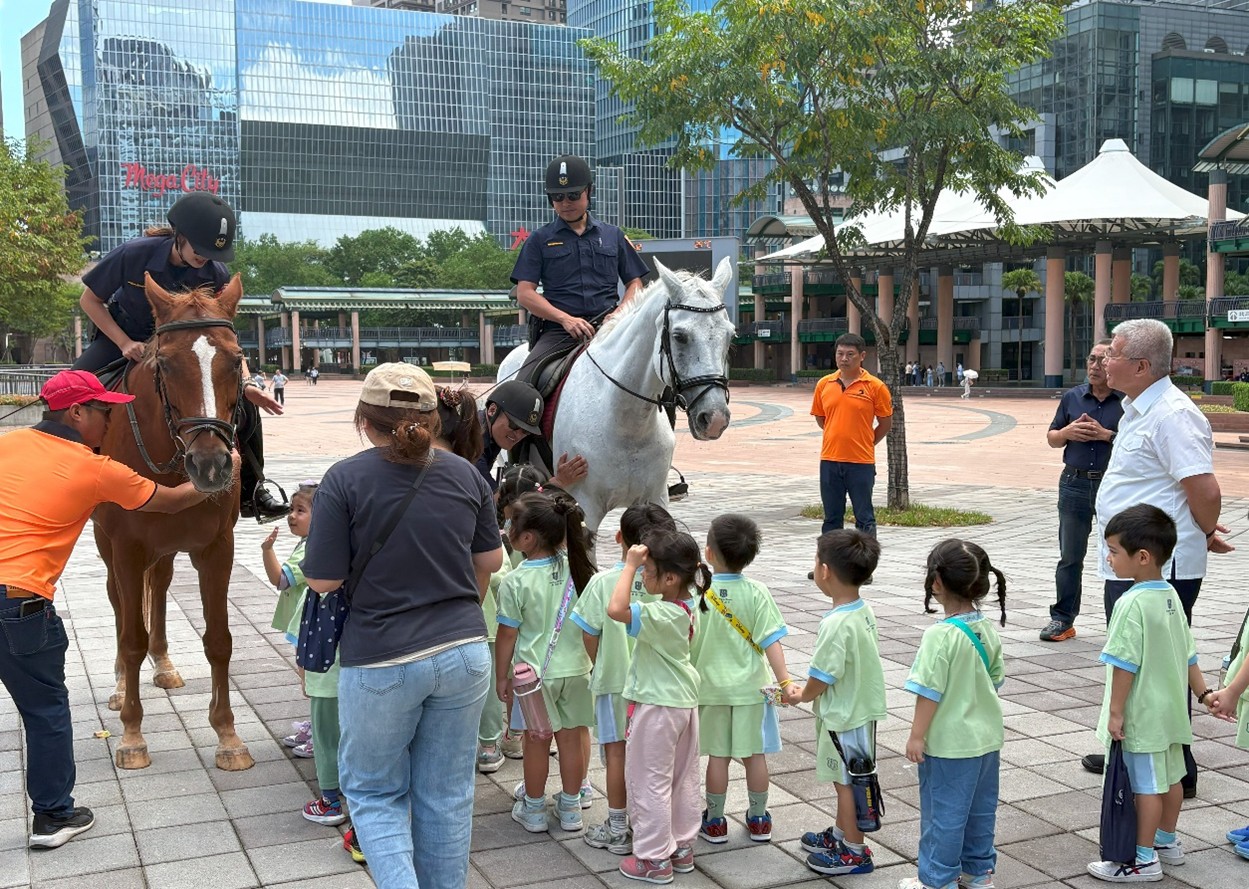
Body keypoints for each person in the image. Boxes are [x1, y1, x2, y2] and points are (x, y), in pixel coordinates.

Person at [301, 363, 502, 889]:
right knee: (448, 794)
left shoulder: (344, 480)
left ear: (364, 420)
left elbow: (322, 579)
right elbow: (492, 561)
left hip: (381, 656)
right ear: (433, 419)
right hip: (464, 651)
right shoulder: (466, 474)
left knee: (372, 793)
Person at [0, 370, 216, 849]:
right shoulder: (95, 467)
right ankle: (54, 818)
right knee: (45, 711)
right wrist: (228, 468)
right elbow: (175, 499)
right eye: (104, 410)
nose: (112, 417)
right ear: (76, 413)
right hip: (18, 605)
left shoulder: (9, 443)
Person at [71, 192, 288, 520]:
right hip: (124, 339)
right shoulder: (132, 254)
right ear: (181, 238)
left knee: (249, 411)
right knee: (67, 392)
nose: (206, 258)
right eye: (199, 250)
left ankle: (253, 490)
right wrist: (124, 342)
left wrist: (245, 383)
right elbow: (89, 301)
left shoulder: (215, 273)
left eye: (212, 252)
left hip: (184, 353)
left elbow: (223, 338)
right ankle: (71, 483)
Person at [1081, 319, 1233, 787]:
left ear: (1142, 366)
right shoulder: (1138, 407)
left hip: (1161, 568)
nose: (1104, 359)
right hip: (1130, 560)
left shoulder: (1172, 414)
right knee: (1133, 659)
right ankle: (1128, 749)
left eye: (1114, 355)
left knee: (1159, 666)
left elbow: (1203, 488)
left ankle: (1175, 769)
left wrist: (1204, 531)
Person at [1087, 505, 1214, 883]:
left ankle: (1142, 860)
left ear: (1142, 557)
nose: (1107, 559)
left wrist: (1115, 713)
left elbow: (1124, 663)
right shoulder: (1172, 597)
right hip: (1172, 711)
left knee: (1145, 789)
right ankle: (1167, 842)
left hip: (1141, 715)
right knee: (1172, 780)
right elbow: (1188, 655)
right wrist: (1203, 694)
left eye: (1113, 551)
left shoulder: (1131, 603)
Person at [900, 540, 1007, 889]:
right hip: (987, 740)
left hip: (948, 745)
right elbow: (996, 679)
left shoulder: (939, 636)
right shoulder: (986, 627)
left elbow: (928, 693)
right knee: (980, 811)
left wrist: (916, 735)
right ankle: (978, 875)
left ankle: (937, 880)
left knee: (943, 815)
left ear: (936, 582)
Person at [571, 502, 677, 855]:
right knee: (659, 759)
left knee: (616, 754)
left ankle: (618, 827)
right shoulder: (669, 584)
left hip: (615, 683)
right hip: (661, 686)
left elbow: (588, 631)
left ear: (619, 538)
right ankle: (660, 826)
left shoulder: (603, 582)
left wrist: (599, 661)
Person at [607, 529, 707, 885]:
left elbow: (616, 608)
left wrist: (629, 565)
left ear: (669, 577)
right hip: (682, 705)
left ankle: (652, 859)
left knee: (649, 782)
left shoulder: (662, 615)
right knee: (682, 779)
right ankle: (680, 847)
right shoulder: (687, 604)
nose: (643, 576)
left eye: (648, 571)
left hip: (657, 707)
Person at [495, 490, 597, 835]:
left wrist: (501, 677)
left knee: (536, 741)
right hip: (578, 669)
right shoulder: (580, 568)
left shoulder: (515, 581)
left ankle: (535, 809)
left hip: (532, 677)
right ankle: (571, 807)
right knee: (571, 738)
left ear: (527, 538)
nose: (506, 526)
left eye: (511, 522)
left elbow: (507, 635)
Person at [693, 514, 798, 846]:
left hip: (710, 688)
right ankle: (758, 819)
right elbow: (771, 641)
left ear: (708, 553)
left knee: (718, 757)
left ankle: (714, 820)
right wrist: (785, 683)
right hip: (752, 689)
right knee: (755, 754)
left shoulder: (699, 592)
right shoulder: (757, 592)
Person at [511, 154, 650, 381]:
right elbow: (524, 293)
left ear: (589, 191)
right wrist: (565, 319)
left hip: (611, 328)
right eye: (558, 196)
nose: (566, 203)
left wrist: (619, 314)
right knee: (522, 388)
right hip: (559, 332)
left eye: (573, 195)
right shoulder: (538, 240)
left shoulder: (613, 235)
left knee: (657, 373)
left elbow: (635, 282)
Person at [796, 529, 886, 878]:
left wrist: (801, 695)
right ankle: (840, 835)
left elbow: (822, 675)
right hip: (860, 710)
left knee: (847, 783)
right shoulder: (862, 609)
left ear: (824, 571)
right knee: (851, 778)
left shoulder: (835, 624)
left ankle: (854, 851)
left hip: (843, 716)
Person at [261, 482, 346, 825]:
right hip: (358, 665)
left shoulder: (317, 559)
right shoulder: (352, 552)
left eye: (301, 510)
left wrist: (267, 550)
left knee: (327, 734)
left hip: (328, 666)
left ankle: (330, 802)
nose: (293, 516)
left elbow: (283, 580)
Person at [1039, 340, 1123, 643]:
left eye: (1102, 360)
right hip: (1073, 484)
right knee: (1070, 556)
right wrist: (1066, 433)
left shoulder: (1126, 402)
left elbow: (1139, 440)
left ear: (1113, 364)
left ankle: (1117, 624)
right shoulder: (1072, 398)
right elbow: (1051, 437)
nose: (1095, 365)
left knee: (1116, 556)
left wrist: (1107, 435)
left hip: (1112, 485)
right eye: (1091, 359)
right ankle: (1062, 620)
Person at [811, 333, 893, 539]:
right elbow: (822, 418)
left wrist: (866, 441)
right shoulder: (824, 384)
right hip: (830, 460)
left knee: (864, 518)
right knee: (831, 518)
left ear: (862, 356)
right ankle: (828, 567)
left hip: (861, 462)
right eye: (840, 354)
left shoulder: (875, 386)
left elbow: (885, 423)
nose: (844, 359)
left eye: (850, 354)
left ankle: (864, 568)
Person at [475, 379, 587, 491]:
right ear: (492, 410)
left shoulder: (489, 433)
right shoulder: (472, 446)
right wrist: (558, 482)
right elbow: (498, 503)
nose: (518, 435)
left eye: (525, 431)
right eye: (514, 425)